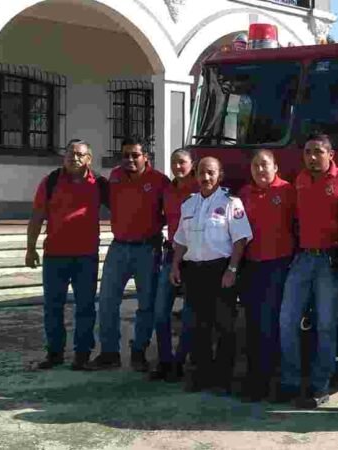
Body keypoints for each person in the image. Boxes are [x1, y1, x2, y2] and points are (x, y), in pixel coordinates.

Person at [277, 134, 338, 408]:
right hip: (301, 260)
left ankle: (320, 386)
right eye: (308, 151)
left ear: (331, 153)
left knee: (326, 326)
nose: (313, 157)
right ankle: (289, 382)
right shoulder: (299, 180)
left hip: (330, 263)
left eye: (319, 152)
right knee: (287, 321)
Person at [171, 157, 253, 393]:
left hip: (220, 270)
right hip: (194, 272)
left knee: (224, 325)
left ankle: (223, 379)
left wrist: (232, 269)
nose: (205, 178)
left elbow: (240, 240)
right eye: (201, 173)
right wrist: (175, 265)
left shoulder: (231, 203)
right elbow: (180, 240)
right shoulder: (189, 204)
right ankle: (201, 375)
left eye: (211, 173)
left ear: (220, 175)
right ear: (195, 175)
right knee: (198, 326)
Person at [26, 139, 108, 370]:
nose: (75, 158)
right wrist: (30, 248)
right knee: (53, 306)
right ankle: (54, 353)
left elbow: (123, 207)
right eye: (71, 153)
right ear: (64, 156)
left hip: (86, 257)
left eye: (81, 155)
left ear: (89, 159)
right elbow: (37, 217)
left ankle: (82, 355)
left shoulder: (99, 184)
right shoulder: (51, 181)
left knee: (85, 307)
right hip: (55, 256)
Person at [89, 137, 169, 371]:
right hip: (119, 248)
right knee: (106, 302)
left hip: (148, 249)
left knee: (146, 304)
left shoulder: (159, 181)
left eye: (135, 155)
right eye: (126, 155)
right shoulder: (114, 177)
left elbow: (171, 210)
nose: (130, 159)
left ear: (146, 157)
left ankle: (139, 352)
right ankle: (109, 353)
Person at [238, 149, 297, 401]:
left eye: (265, 165)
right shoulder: (244, 194)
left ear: (275, 168)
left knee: (272, 323)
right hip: (251, 265)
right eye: (256, 166)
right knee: (253, 323)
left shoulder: (287, 191)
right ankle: (255, 379)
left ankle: (272, 380)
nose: (260, 170)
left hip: (279, 265)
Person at [149, 148, 198, 382]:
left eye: (182, 162)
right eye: (174, 162)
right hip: (170, 255)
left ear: (192, 164)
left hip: (194, 257)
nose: (178, 167)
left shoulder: (201, 189)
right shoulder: (167, 190)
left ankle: (180, 361)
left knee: (189, 313)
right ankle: (165, 360)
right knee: (160, 311)